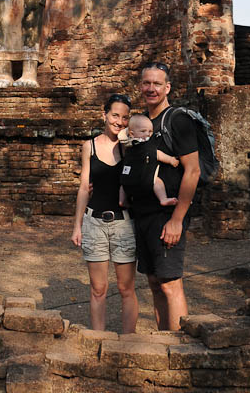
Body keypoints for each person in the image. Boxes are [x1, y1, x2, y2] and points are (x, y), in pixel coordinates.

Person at [123, 62, 200, 331]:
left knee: (170, 283)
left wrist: (177, 220)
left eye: (157, 84)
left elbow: (192, 171)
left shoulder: (178, 120)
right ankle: (164, 345)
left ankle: (180, 352)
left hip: (168, 214)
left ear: (167, 87)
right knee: (154, 281)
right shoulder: (142, 124)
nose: (151, 88)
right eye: (146, 83)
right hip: (143, 214)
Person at [71, 94, 138, 332]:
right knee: (98, 289)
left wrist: (127, 143)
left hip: (124, 224)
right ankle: (98, 340)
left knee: (125, 288)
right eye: (115, 115)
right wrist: (77, 226)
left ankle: (128, 341)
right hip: (94, 222)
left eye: (124, 117)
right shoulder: (89, 146)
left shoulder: (131, 145)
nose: (119, 121)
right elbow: (83, 187)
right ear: (105, 115)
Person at [119, 114, 179, 209]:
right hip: (144, 180)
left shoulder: (128, 145)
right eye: (143, 131)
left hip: (129, 180)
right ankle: (163, 199)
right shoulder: (146, 145)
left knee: (123, 184)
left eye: (150, 131)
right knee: (157, 181)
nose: (147, 134)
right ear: (132, 133)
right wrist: (171, 160)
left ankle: (122, 200)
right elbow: (157, 154)